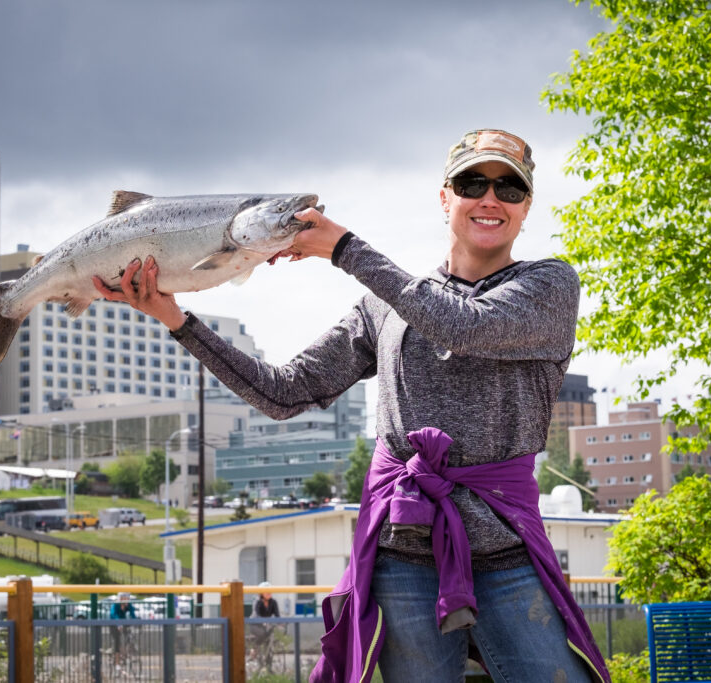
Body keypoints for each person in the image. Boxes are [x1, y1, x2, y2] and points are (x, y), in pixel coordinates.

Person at [93, 129, 610, 682]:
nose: (490, 198)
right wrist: (177, 319)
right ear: (445, 198)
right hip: (402, 555)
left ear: (526, 207)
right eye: (472, 183)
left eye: (509, 188)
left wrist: (344, 249)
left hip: (506, 549)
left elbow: (463, 326)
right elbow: (283, 392)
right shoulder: (383, 308)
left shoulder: (549, 284)